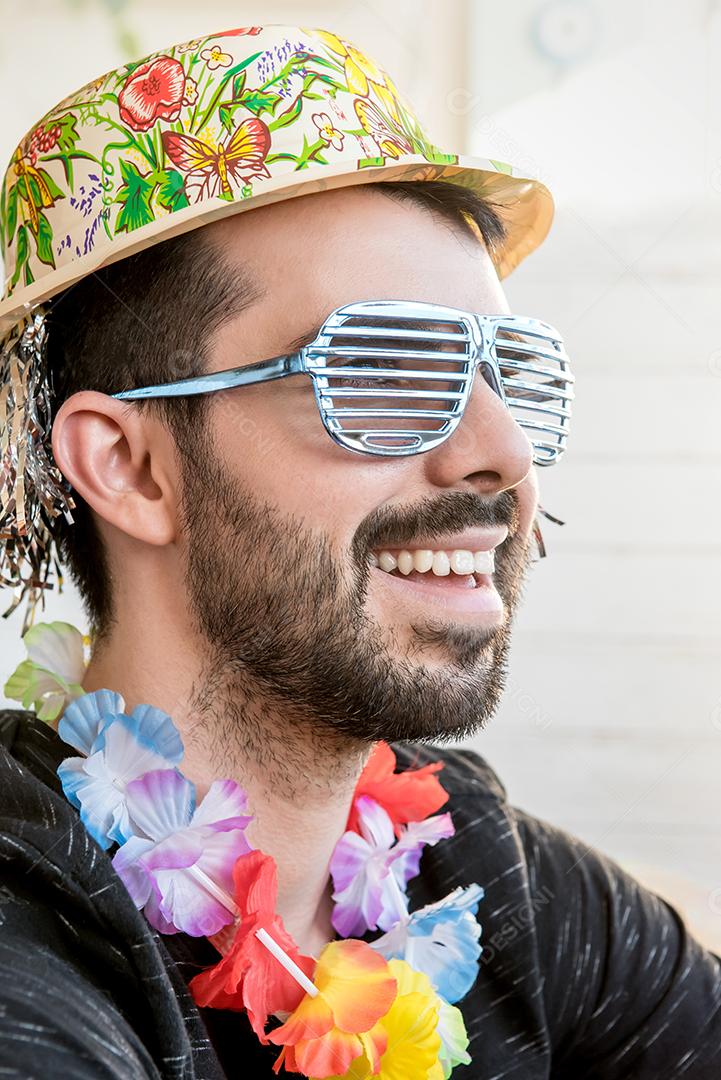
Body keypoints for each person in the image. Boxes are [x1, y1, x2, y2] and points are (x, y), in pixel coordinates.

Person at [0, 22, 719, 1080]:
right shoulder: (34, 948)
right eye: (380, 370)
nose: (503, 456)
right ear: (132, 467)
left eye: (505, 373)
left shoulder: (487, 873)